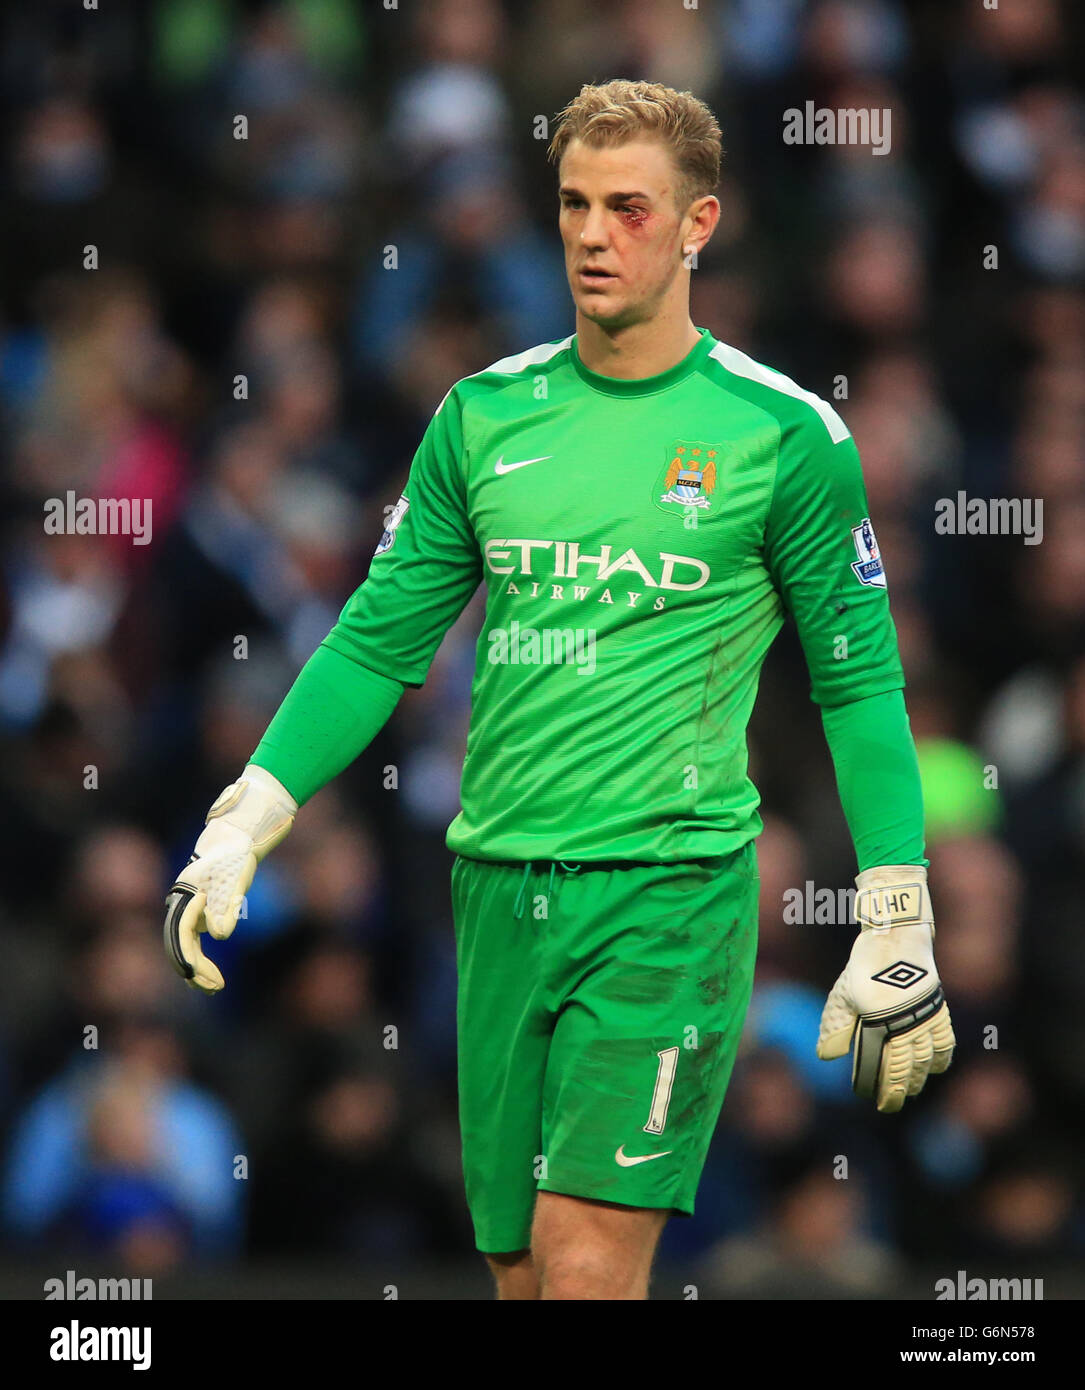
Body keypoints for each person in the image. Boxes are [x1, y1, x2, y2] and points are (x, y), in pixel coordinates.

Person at [163, 79, 955, 1300]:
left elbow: (856, 684)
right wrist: (250, 813)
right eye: (574, 204)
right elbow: (376, 640)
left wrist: (894, 902)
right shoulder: (481, 415)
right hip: (494, 886)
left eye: (627, 208)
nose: (591, 233)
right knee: (523, 1272)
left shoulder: (783, 436)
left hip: (666, 893)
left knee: (587, 1264)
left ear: (698, 224)